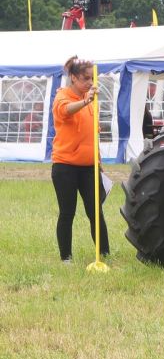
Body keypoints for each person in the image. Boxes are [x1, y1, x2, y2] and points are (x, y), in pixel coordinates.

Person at [51, 56, 110, 262]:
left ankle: (104, 254)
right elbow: (65, 111)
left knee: (96, 211)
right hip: (65, 166)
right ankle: (66, 258)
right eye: (86, 78)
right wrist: (86, 101)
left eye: (93, 78)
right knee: (67, 212)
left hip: (89, 167)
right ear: (74, 78)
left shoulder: (93, 102)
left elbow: (93, 135)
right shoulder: (62, 96)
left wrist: (99, 164)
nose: (91, 83)